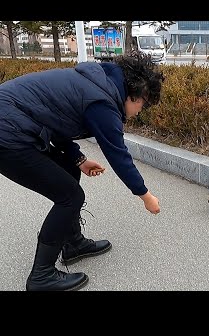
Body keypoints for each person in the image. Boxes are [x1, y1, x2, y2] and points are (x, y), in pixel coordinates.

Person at [0, 52, 164, 291]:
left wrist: (78, 159)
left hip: (15, 123)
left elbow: (56, 120)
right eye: (144, 104)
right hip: (9, 134)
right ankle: (41, 275)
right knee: (70, 197)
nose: (141, 110)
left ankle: (72, 243)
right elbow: (118, 155)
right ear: (135, 92)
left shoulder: (97, 85)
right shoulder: (103, 102)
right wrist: (145, 195)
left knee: (68, 172)